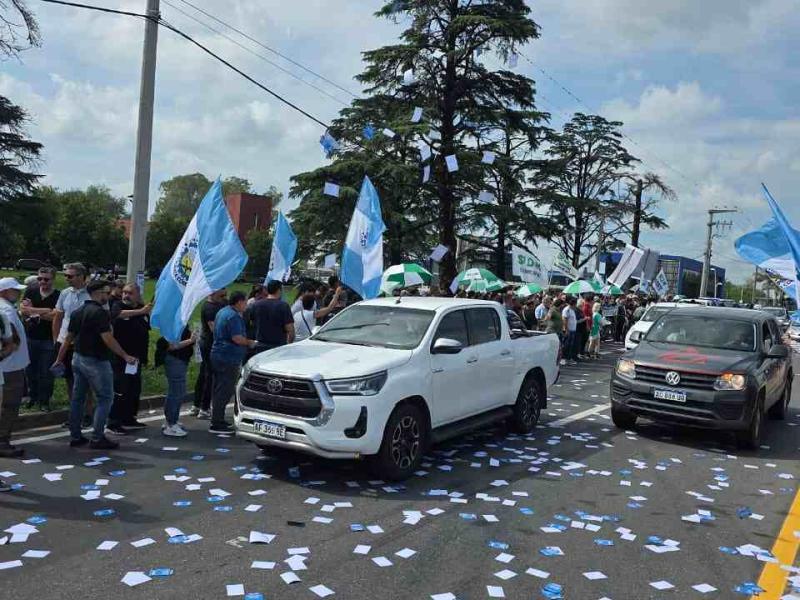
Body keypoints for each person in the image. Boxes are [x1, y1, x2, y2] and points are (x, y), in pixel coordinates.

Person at [53, 280, 137, 450]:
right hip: (96, 361)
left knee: (78, 399)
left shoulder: (78, 312)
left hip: (77, 358)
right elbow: (107, 338)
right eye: (106, 292)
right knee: (105, 398)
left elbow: (68, 338)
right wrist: (125, 355)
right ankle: (97, 437)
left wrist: (59, 358)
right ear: (98, 293)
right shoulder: (99, 313)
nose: (109, 295)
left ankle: (75, 436)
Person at [209, 292, 257, 434]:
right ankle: (217, 422)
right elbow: (237, 338)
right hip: (228, 357)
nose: (246, 305)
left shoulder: (222, 312)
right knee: (225, 390)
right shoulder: (234, 317)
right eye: (245, 302)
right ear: (239, 302)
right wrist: (250, 343)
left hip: (218, 354)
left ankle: (217, 417)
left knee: (218, 388)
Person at [106, 283, 151, 434]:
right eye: (124, 292)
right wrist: (141, 311)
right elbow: (117, 314)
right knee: (120, 390)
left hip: (136, 358)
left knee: (133, 390)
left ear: (138, 294)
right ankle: (113, 422)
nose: (125, 295)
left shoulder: (142, 309)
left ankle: (128, 417)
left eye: (130, 293)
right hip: (121, 357)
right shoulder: (117, 305)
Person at [52, 263, 91, 422]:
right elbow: (58, 316)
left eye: (70, 276)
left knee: (85, 381)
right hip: (65, 342)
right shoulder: (64, 293)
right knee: (69, 380)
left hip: (84, 343)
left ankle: (88, 413)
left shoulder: (91, 294)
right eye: (65, 275)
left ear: (82, 276)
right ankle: (75, 413)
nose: (67, 279)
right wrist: (56, 339)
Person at [20, 267, 60, 411]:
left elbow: (56, 316)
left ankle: (44, 401)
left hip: (48, 339)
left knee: (46, 372)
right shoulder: (31, 291)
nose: (42, 282)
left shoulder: (57, 295)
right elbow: (23, 310)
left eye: (46, 279)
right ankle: (32, 397)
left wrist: (33, 310)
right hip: (30, 337)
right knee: (30, 370)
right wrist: (45, 311)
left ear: (53, 279)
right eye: (40, 278)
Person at [0, 277, 30, 459]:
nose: (19, 293)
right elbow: (12, 341)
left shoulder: (7, 308)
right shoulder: (5, 311)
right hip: (10, 368)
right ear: (3, 292)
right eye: (15, 290)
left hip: (10, 366)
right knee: (9, 406)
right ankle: (2, 441)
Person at [192, 289, 227, 419]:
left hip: (207, 343)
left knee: (204, 374)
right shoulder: (209, 308)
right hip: (209, 344)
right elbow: (214, 329)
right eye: (222, 294)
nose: (224, 297)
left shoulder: (219, 305)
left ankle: (196, 405)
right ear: (213, 292)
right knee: (209, 375)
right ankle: (204, 407)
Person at [155, 326, 196, 437]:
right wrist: (190, 340)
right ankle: (171, 424)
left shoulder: (179, 323)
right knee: (177, 392)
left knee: (176, 391)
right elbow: (171, 346)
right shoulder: (173, 324)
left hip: (180, 360)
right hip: (175, 360)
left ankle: (172, 420)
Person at [250, 280, 295, 351]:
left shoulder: (256, 305)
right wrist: (289, 344)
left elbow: (252, 323)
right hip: (278, 347)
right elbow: (290, 330)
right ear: (278, 290)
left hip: (260, 345)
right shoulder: (283, 306)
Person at [562, 296, 582, 365]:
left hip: (573, 330)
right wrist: (566, 329)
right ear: (573, 304)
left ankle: (568, 359)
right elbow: (564, 320)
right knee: (566, 345)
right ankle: (564, 360)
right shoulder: (567, 310)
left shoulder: (572, 310)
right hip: (569, 330)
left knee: (570, 346)